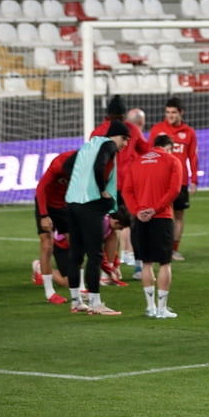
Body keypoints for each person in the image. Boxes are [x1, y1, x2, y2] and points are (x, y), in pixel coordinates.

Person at [64, 122, 130, 315]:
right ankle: (95, 303)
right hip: (90, 204)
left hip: (73, 201)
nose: (125, 143)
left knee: (76, 255)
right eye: (124, 138)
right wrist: (100, 189)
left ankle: (76, 301)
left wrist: (79, 183)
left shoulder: (87, 146)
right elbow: (99, 165)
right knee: (95, 255)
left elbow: (67, 165)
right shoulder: (108, 145)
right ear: (115, 135)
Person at [122, 134, 183, 319]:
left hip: (140, 219)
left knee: (146, 263)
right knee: (165, 263)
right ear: (168, 147)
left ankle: (150, 307)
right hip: (162, 217)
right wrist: (155, 208)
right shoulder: (172, 161)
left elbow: (127, 191)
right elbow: (174, 190)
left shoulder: (136, 163)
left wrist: (137, 211)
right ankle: (162, 309)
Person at [90, 96, 150, 283]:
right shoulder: (106, 131)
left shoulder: (126, 130)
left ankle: (127, 266)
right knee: (112, 228)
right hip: (109, 187)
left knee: (128, 225)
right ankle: (111, 267)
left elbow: (145, 151)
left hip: (125, 187)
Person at [148, 96, 198, 262]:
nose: (170, 115)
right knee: (159, 215)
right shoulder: (157, 130)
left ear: (181, 113)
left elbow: (193, 157)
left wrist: (194, 180)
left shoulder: (189, 132)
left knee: (178, 216)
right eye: (168, 112)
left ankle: (173, 250)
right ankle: (159, 248)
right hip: (160, 180)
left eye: (174, 112)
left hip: (180, 181)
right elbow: (149, 154)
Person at [33, 149, 77, 304]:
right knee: (47, 244)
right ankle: (49, 292)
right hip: (47, 204)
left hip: (65, 205)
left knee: (76, 245)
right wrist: (44, 215)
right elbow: (41, 188)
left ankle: (80, 287)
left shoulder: (89, 165)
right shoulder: (58, 164)